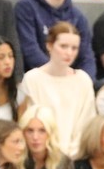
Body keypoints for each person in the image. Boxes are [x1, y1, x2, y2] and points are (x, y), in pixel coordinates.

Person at [19, 22, 97, 157]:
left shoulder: (83, 80)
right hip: (41, 155)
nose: (69, 53)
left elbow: (87, 123)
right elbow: (31, 122)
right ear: (49, 45)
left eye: (74, 48)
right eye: (63, 46)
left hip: (77, 157)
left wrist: (72, 155)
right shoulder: (32, 79)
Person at [20, 105, 76, 169]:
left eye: (42, 130)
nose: (35, 137)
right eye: (30, 130)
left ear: (51, 133)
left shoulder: (64, 163)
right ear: (23, 133)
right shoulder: (15, 160)